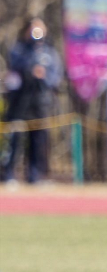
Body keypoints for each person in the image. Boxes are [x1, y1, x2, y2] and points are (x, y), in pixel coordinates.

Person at [3, 19, 62, 184]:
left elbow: (56, 77)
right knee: (15, 139)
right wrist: (31, 68)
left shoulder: (50, 53)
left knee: (38, 140)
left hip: (41, 102)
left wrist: (44, 75)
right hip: (20, 102)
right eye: (33, 28)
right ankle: (9, 175)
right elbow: (14, 67)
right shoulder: (19, 49)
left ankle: (35, 176)